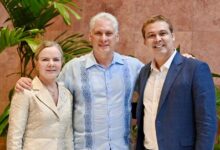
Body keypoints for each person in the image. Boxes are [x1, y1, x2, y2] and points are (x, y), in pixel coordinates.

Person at [15, 12, 144, 149]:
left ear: (117, 37)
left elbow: (157, 85)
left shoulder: (133, 67)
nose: (103, 38)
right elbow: (49, 93)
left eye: (109, 33)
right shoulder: (73, 68)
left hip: (121, 147)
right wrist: (25, 83)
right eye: (98, 33)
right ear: (90, 36)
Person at [135, 15, 217, 150]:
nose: (157, 39)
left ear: (172, 36)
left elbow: (207, 122)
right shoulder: (144, 72)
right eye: (151, 35)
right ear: (145, 41)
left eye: (163, 33)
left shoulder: (195, 69)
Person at [7, 41, 73, 150]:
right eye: (45, 59)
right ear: (36, 63)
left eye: (56, 59)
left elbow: (68, 135)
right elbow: (14, 136)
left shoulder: (67, 94)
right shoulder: (25, 91)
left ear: (62, 63)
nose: (51, 64)